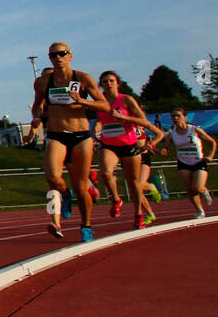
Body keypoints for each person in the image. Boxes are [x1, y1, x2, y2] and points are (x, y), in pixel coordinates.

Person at [30, 42, 107, 241]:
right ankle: (65, 195)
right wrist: (37, 117)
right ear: (49, 58)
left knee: (81, 186)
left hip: (80, 135)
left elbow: (104, 105)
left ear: (70, 55)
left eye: (62, 53)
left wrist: (82, 101)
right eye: (54, 55)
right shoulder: (42, 82)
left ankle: (86, 225)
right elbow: (37, 105)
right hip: (57, 134)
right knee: (53, 178)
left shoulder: (83, 78)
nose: (58, 58)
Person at [90, 70, 165, 229]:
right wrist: (95, 130)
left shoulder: (126, 100)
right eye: (104, 82)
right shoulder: (100, 101)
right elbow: (99, 120)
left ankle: (138, 214)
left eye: (111, 81)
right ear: (100, 85)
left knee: (134, 184)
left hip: (129, 145)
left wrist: (124, 118)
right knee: (105, 173)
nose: (108, 84)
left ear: (117, 83)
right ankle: (116, 199)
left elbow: (143, 121)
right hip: (109, 144)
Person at [154, 109, 218, 218]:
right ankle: (200, 210)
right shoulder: (171, 134)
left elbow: (212, 142)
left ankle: (204, 191)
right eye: (173, 116)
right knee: (190, 190)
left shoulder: (194, 130)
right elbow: (165, 150)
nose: (175, 118)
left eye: (178, 116)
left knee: (197, 187)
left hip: (198, 161)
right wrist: (157, 150)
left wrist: (210, 156)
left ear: (185, 117)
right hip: (183, 163)